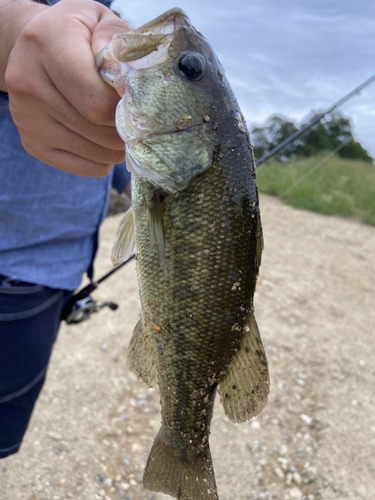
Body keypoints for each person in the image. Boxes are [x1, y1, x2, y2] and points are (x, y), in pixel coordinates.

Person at [0, 0, 132, 458]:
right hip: (12, 258)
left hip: (58, 272)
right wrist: (12, 34)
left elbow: (104, 136)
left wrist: (132, 178)